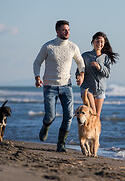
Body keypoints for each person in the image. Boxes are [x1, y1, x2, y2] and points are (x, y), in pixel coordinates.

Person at [33, 20, 85, 152]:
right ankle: (46, 126)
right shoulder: (48, 46)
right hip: (49, 87)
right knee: (50, 116)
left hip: (66, 86)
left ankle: (61, 143)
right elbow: (37, 62)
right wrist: (37, 77)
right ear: (57, 31)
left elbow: (80, 62)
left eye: (68, 29)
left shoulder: (73, 47)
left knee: (69, 116)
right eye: (64, 30)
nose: (67, 32)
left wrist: (81, 74)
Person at [76, 32, 119, 118]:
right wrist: (79, 77)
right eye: (97, 41)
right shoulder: (85, 56)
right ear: (93, 42)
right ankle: (86, 131)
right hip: (87, 88)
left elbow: (107, 74)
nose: (99, 44)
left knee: (96, 116)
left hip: (100, 91)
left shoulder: (106, 57)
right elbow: (79, 70)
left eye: (102, 42)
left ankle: (94, 131)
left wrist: (99, 67)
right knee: (93, 112)